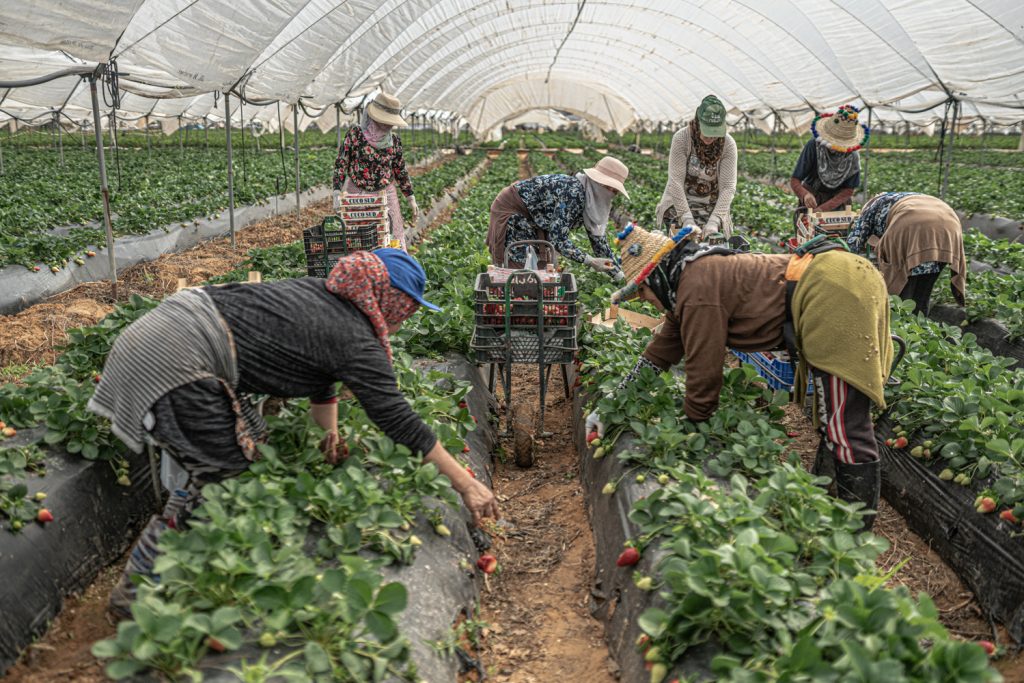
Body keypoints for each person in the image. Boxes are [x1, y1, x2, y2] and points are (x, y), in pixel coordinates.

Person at [89, 249, 500, 618]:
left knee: (242, 448)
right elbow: (394, 416)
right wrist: (465, 484)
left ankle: (183, 555)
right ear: (390, 298)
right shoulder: (354, 336)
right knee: (226, 480)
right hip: (173, 359)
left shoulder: (323, 297)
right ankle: (139, 590)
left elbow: (320, 378)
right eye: (408, 308)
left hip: (162, 335)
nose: (405, 319)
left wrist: (330, 437)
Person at [585, 224, 892, 530]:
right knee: (831, 414)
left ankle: (855, 533)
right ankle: (829, 500)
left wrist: (693, 426)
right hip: (835, 278)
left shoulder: (697, 289)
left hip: (837, 290)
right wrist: (611, 405)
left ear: (657, 278)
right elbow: (659, 353)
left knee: (844, 420)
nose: (646, 300)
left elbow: (704, 370)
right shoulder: (688, 283)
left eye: (644, 291)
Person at [486, 156, 628, 275]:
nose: (612, 193)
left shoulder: (590, 195)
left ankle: (529, 297)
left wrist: (618, 274)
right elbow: (558, 239)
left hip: (532, 215)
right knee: (523, 268)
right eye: (609, 187)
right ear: (598, 181)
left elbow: (598, 241)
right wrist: (589, 260)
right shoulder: (574, 193)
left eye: (615, 191)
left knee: (539, 266)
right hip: (513, 209)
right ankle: (519, 303)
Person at [846, 192, 967, 314]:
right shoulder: (901, 198)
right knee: (922, 294)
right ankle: (920, 326)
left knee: (898, 293)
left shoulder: (870, 208)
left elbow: (854, 242)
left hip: (910, 224)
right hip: (948, 225)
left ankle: (900, 324)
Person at [332, 92, 418, 251]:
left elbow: (400, 170)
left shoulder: (394, 140)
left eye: (390, 122)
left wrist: (410, 197)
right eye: (384, 121)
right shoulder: (356, 134)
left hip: (385, 195)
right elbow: (342, 162)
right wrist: (337, 191)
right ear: (373, 117)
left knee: (392, 238)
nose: (387, 125)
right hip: (357, 195)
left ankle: (391, 272)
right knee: (359, 240)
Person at [655, 95, 737, 239]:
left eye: (715, 133)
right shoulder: (682, 138)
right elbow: (675, 182)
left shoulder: (728, 144)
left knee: (713, 250)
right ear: (698, 123)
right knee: (680, 250)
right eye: (707, 131)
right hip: (679, 205)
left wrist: (714, 220)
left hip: (711, 207)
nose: (710, 138)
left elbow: (728, 187)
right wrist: (687, 219)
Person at [790, 104, 869, 226]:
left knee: (837, 238)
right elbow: (795, 180)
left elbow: (848, 191)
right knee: (809, 238)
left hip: (838, 206)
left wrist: (823, 209)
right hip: (812, 201)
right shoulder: (814, 146)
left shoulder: (852, 156)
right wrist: (805, 195)